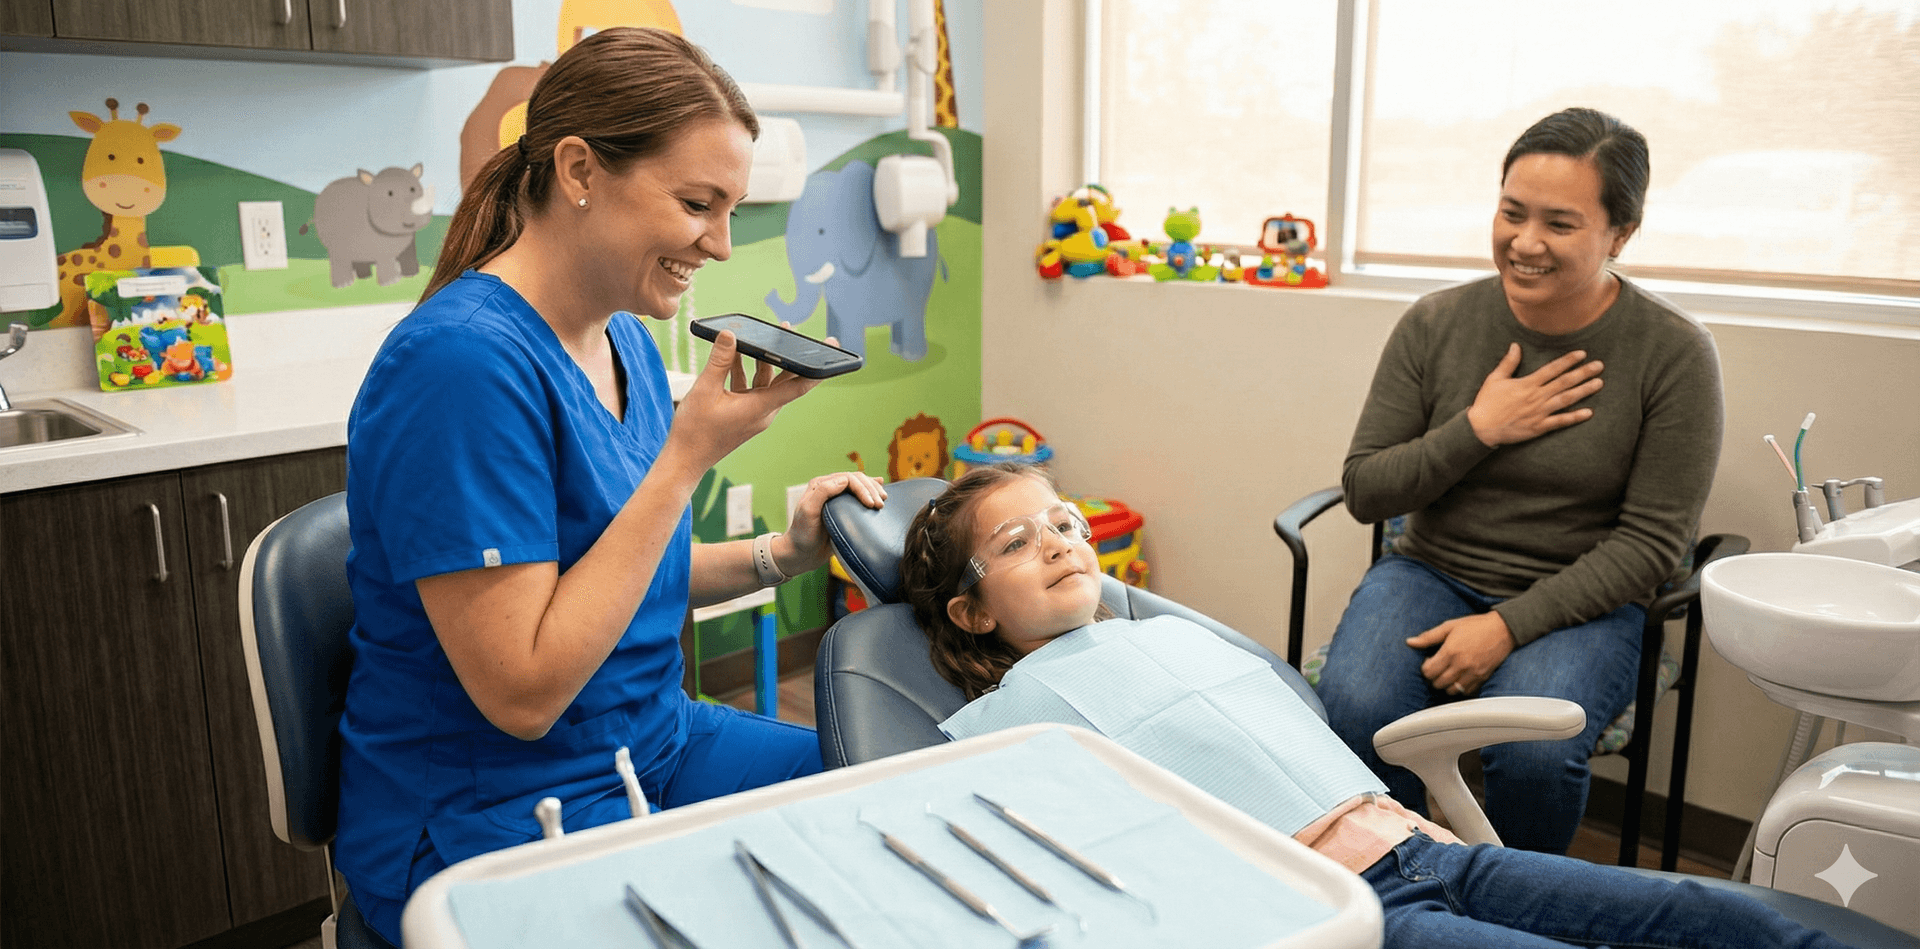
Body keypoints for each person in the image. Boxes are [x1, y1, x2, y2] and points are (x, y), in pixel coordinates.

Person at [336, 28, 886, 945]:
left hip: (653, 743)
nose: (717, 243)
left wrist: (782, 553)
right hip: (495, 813)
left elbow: (625, 576)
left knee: (892, 777)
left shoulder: (621, 333)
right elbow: (524, 691)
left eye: (732, 210)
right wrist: (683, 462)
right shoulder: (462, 367)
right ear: (580, 168)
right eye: (696, 203)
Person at [903, 463, 1847, 949]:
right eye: (1021, 541)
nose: (1062, 541)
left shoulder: (1170, 632)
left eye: (1065, 522)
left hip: (1433, 853)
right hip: (1348, 908)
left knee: (1725, 913)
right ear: (973, 610)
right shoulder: (1016, 715)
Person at [1313, 106, 1725, 854]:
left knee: (1533, 749)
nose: (1525, 243)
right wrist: (1478, 428)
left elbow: (1654, 545)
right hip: (1432, 571)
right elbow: (1368, 488)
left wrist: (1506, 627)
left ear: (1620, 233)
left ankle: (1513, 915)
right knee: (1356, 706)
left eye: (1560, 224)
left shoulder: (1675, 354)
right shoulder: (1436, 323)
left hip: (1584, 603)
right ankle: (1402, 894)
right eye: (1512, 213)